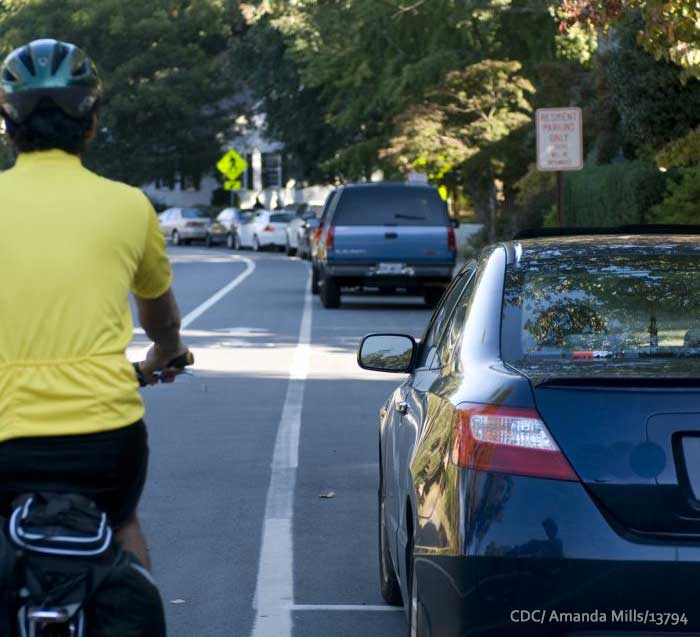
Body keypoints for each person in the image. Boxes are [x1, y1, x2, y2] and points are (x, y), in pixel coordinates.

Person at [0, 38, 188, 571]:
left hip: (6, 438)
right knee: (121, 523)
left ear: (9, 123)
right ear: (91, 121)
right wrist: (165, 354)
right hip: (104, 439)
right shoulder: (128, 206)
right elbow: (162, 320)